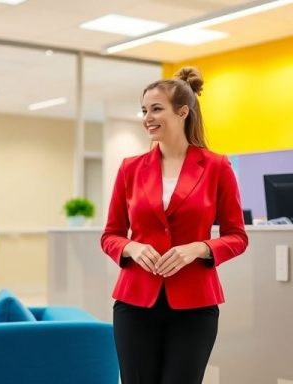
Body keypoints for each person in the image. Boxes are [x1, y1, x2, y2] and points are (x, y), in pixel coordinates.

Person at [100, 67, 248, 383]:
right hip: (135, 303)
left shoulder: (217, 167)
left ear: (183, 112)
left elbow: (237, 236)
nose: (147, 118)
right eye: (144, 110)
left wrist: (199, 248)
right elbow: (110, 235)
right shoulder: (130, 168)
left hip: (195, 305)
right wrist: (132, 247)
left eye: (156, 109)